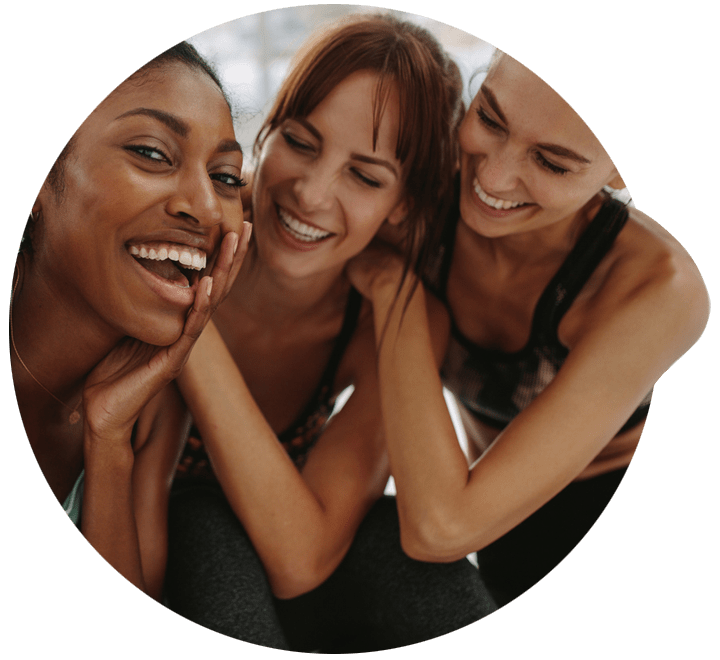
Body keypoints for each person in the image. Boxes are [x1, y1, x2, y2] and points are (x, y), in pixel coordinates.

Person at [164, 14, 495, 651]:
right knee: (203, 526)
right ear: (268, 130)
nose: (311, 194)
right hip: (157, 542)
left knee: (409, 557)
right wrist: (193, 297)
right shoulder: (187, 229)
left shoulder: (391, 311)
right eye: (301, 141)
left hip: (290, 560)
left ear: (403, 202)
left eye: (365, 176)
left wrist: (190, 325)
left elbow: (301, 559)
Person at [347, 50, 710, 608]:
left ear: (619, 170)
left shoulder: (656, 286)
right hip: (494, 513)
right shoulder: (421, 193)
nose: (490, 176)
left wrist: (396, 289)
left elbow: (440, 529)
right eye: (489, 119)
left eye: (554, 163)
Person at [10, 41, 251, 602]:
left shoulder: (154, 410)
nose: (208, 208)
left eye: (227, 178)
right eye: (152, 153)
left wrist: (110, 438)